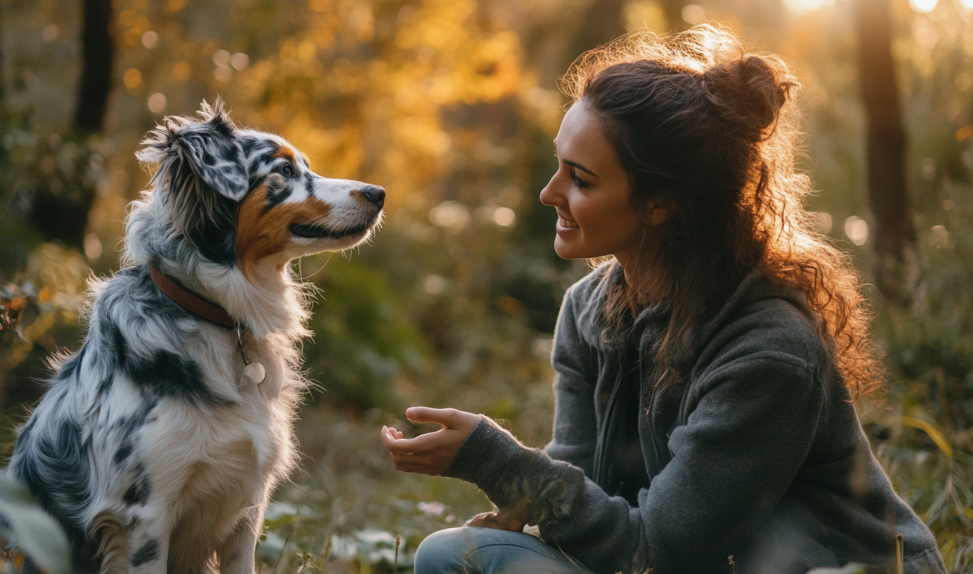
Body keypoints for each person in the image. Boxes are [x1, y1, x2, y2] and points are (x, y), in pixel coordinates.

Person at [380, 24, 945, 574]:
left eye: (580, 178)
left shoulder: (770, 351)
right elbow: (588, 491)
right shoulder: (586, 311)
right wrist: (526, 513)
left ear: (660, 202)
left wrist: (493, 458)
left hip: (838, 568)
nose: (549, 193)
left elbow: (657, 552)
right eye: (559, 165)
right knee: (452, 555)